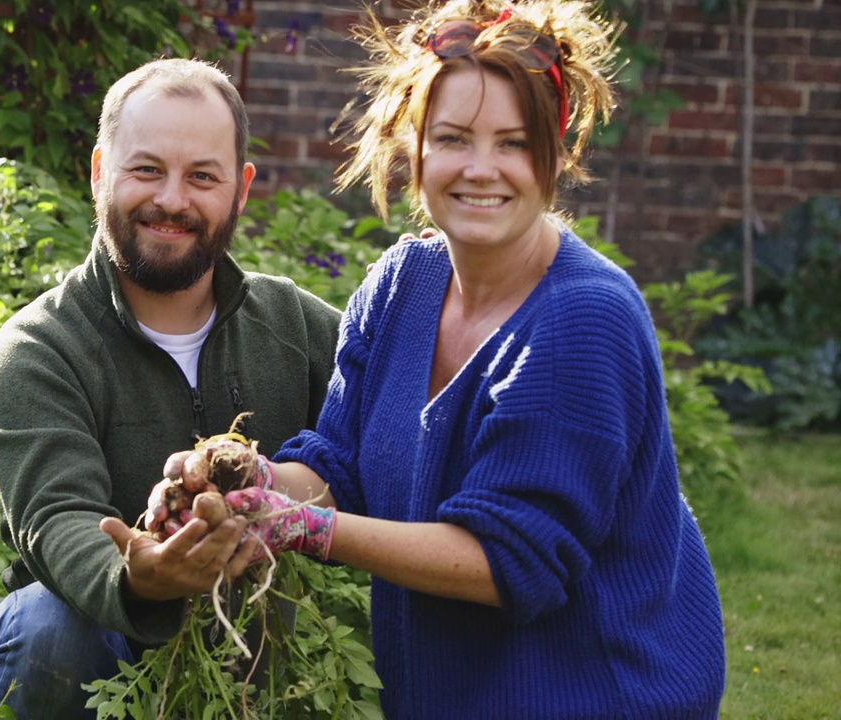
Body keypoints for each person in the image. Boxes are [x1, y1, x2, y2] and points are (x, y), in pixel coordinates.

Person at [160, 1, 727, 717]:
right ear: (415, 146)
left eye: (513, 143)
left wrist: (303, 529)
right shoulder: (403, 283)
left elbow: (509, 561)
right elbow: (337, 467)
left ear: (554, 153)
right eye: (454, 138)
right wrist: (240, 478)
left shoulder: (583, 319)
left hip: (593, 694)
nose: (481, 169)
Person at [0, 57, 342, 718]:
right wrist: (136, 576)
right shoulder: (38, 349)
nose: (172, 199)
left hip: (258, 650)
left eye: (202, 176)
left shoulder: (299, 329)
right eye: (146, 170)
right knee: (41, 628)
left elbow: (393, 428)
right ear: (98, 172)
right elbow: (58, 519)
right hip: (94, 652)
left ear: (241, 189)